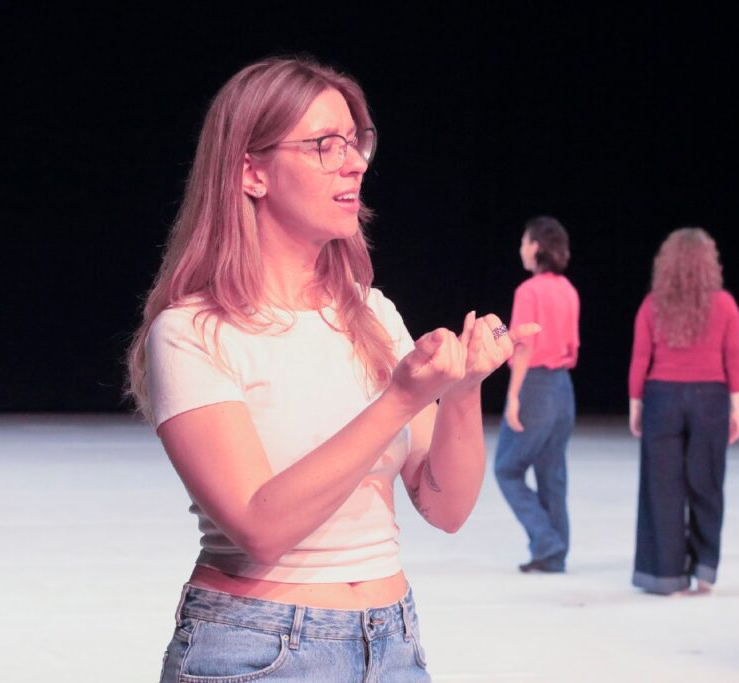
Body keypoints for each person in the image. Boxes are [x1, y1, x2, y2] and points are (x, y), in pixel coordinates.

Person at [126, 56, 533, 682]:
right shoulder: (191, 332)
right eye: (324, 145)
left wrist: (462, 390)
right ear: (252, 172)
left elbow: (445, 508)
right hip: (258, 650)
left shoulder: (373, 314)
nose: (355, 163)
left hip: (393, 643)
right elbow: (261, 527)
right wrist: (399, 399)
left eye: (355, 141)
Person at [627, 227, 739, 595]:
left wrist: (635, 404)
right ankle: (705, 569)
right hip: (711, 398)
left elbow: (640, 358)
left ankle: (665, 575)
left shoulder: (653, 304)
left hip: (661, 397)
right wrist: (736, 408)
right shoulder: (725, 305)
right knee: (707, 484)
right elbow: (733, 359)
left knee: (662, 489)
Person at [494, 216, 579, 573]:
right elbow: (572, 344)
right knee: (551, 473)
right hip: (563, 388)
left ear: (537, 247)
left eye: (524, 242)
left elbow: (524, 345)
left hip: (537, 386)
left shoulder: (529, 291)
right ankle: (553, 554)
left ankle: (546, 542)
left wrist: (514, 396)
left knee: (506, 469)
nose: (521, 249)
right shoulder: (568, 290)